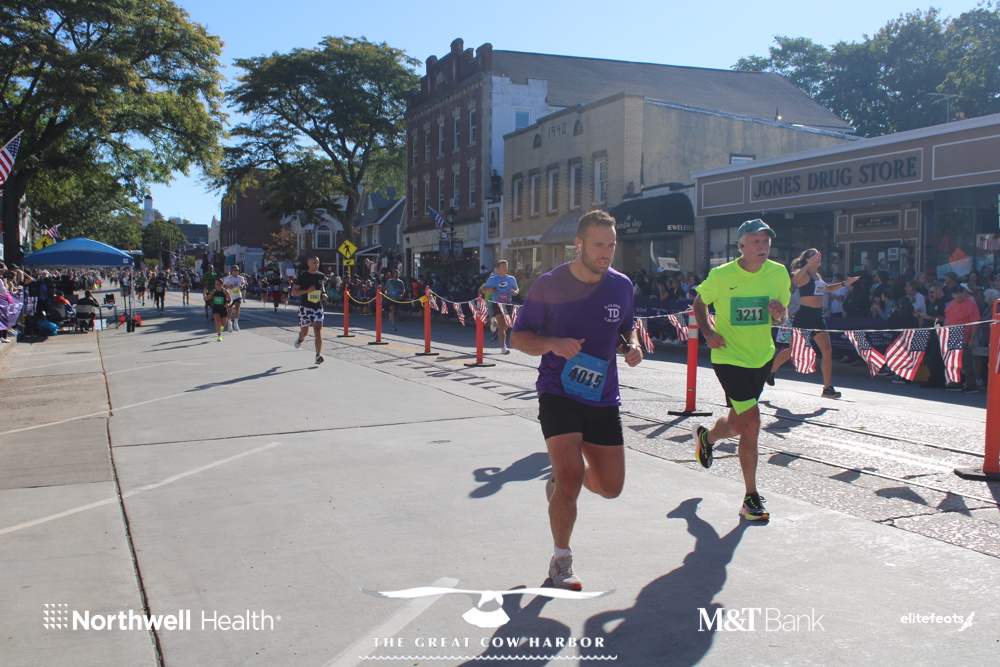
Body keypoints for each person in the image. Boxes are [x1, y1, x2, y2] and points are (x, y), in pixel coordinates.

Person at [510, 210, 643, 590]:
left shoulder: (621, 286)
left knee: (610, 486)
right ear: (579, 244)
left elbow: (626, 327)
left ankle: (561, 477)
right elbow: (519, 337)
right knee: (570, 480)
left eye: (611, 245)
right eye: (599, 245)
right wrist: (552, 343)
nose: (606, 253)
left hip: (603, 396)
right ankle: (561, 561)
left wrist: (632, 346)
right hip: (558, 391)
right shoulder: (549, 285)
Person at [691, 219, 790, 522]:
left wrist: (779, 314)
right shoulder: (721, 275)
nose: (762, 246)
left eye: (766, 241)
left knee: (737, 424)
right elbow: (699, 303)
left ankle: (707, 438)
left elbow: (781, 316)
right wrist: (708, 332)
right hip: (729, 357)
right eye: (756, 241)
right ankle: (750, 498)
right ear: (741, 246)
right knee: (753, 421)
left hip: (761, 358)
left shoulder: (778, 273)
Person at [767, 248, 859, 398]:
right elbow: (795, 281)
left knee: (827, 350)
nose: (818, 258)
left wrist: (845, 283)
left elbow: (828, 289)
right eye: (813, 256)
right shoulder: (804, 274)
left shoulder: (817, 276)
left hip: (817, 316)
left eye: (818, 255)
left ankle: (827, 388)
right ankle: (771, 371)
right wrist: (808, 265)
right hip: (804, 316)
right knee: (793, 351)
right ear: (807, 259)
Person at [944, 283, 980, 393]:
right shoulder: (951, 304)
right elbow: (947, 319)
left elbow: (975, 322)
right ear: (952, 295)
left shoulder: (970, 304)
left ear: (964, 293)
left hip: (964, 338)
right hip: (952, 338)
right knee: (954, 363)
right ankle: (956, 383)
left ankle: (971, 385)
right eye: (956, 293)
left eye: (960, 293)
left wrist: (972, 338)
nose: (959, 295)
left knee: (967, 363)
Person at [291, 257, 328, 365]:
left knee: (318, 330)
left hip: (317, 307)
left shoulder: (321, 276)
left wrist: (324, 294)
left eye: (317, 262)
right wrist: (307, 291)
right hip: (305, 308)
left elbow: (321, 287)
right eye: (314, 262)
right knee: (305, 332)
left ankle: (318, 355)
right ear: (309, 264)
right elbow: (294, 291)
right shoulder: (302, 276)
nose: (316, 264)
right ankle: (300, 339)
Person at [480, 259, 520, 354]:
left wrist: (515, 292)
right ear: (498, 269)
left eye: (506, 267)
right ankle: (503, 348)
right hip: (497, 304)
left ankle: (494, 323)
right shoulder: (492, 279)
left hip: (508, 304)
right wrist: (488, 290)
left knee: (506, 326)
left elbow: (517, 289)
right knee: (502, 326)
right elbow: (483, 290)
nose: (505, 268)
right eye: (503, 267)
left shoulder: (511, 279)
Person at [204, 278, 231, 342]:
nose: (216, 285)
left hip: (223, 308)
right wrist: (204, 293)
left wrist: (228, 304)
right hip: (216, 308)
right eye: (215, 284)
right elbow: (207, 298)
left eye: (217, 284)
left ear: (222, 284)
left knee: (223, 323)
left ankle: (220, 329)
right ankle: (219, 335)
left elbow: (230, 300)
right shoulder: (214, 291)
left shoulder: (225, 291)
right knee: (217, 321)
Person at [223, 266, 247, 332]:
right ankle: (229, 323)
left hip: (238, 295)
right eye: (235, 270)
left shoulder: (240, 278)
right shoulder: (228, 278)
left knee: (237, 309)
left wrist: (242, 286)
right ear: (232, 271)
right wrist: (229, 287)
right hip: (230, 296)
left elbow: (243, 283)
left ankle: (236, 322)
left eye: (237, 270)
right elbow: (223, 286)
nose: (236, 272)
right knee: (230, 310)